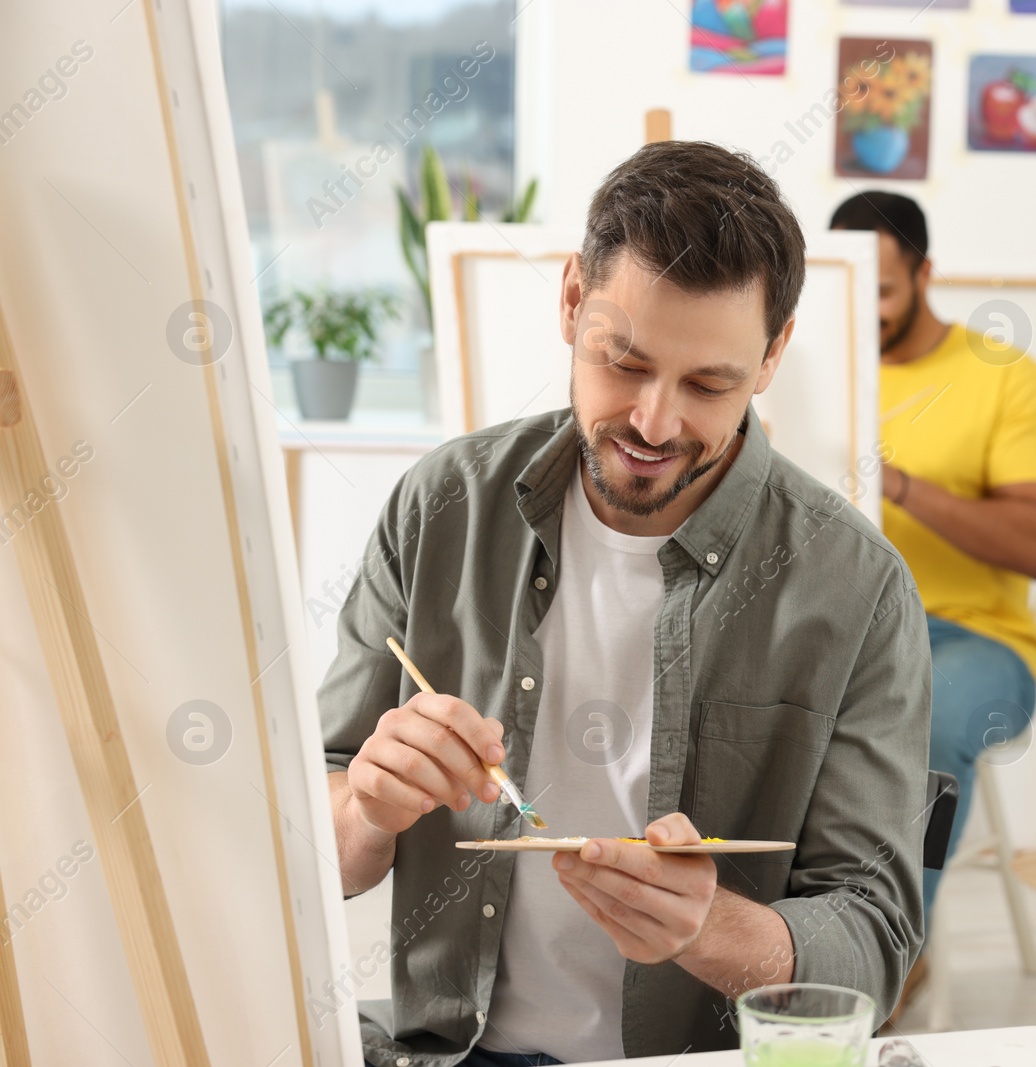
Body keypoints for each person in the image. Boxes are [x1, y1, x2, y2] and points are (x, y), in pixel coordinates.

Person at [320, 141, 931, 1066]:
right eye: (624, 361)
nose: (653, 422)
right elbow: (305, 859)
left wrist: (709, 927)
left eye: (708, 385)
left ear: (772, 356)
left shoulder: (857, 587)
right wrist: (365, 808)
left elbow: (875, 939)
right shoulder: (442, 505)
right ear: (572, 301)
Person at [829, 191, 1036, 1010]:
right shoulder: (808, 365)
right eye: (851, 291)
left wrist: (893, 482)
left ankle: (892, 947)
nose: (868, 312)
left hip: (976, 641)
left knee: (926, 725)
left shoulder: (1001, 375)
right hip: (846, 636)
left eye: (885, 290)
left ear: (926, 273)